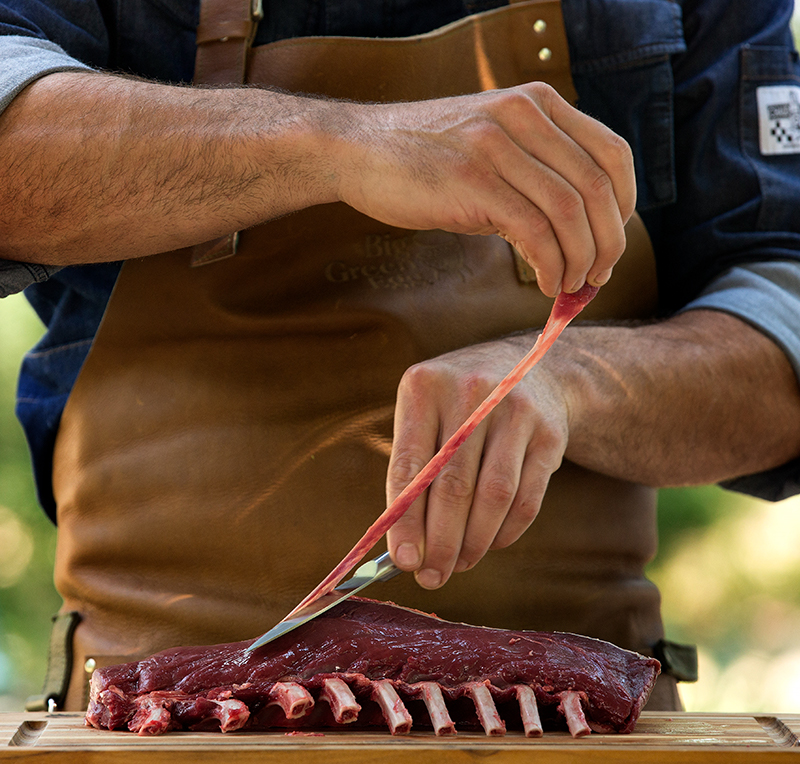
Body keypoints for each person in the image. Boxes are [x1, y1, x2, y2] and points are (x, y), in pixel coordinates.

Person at [1, 0, 800, 714]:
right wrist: (336, 143)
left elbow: (782, 350)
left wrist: (575, 380)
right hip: (162, 725)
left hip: (582, 733)